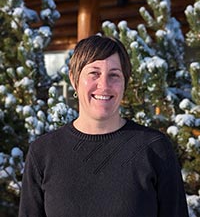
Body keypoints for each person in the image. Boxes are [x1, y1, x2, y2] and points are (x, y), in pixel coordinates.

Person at [18, 35, 189, 217]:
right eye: (94, 73)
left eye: (114, 75)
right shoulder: (43, 152)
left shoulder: (154, 148)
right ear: (73, 79)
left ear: (125, 83)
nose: (104, 85)